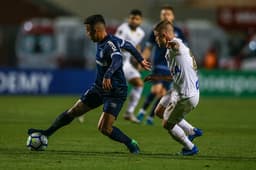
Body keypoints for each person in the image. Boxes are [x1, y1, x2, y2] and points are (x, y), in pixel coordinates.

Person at [27, 14, 151, 154]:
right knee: (73, 111)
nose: (87, 34)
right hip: (98, 88)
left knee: (105, 129)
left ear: (97, 31)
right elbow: (128, 45)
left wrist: (109, 75)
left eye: (89, 31)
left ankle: (131, 143)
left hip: (115, 92)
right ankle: (47, 133)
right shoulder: (109, 40)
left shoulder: (109, 45)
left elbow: (117, 58)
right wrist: (140, 59)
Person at [144, 20, 202, 155]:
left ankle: (190, 147)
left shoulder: (177, 46)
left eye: (157, 36)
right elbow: (175, 75)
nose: (155, 39)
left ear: (164, 35)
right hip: (177, 90)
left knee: (167, 124)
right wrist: (156, 77)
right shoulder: (169, 52)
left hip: (186, 96)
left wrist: (172, 44)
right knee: (158, 111)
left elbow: (176, 46)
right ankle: (192, 131)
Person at [137, 5, 187, 125]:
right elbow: (148, 48)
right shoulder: (156, 30)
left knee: (163, 93)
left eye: (168, 14)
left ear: (173, 16)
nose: (165, 16)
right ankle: (142, 111)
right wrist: (142, 60)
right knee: (156, 90)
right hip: (158, 64)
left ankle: (150, 117)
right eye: (163, 14)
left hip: (171, 67)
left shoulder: (179, 32)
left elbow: (184, 50)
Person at [115, 9, 145, 123]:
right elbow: (116, 43)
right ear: (129, 19)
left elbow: (137, 46)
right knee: (109, 91)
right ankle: (82, 109)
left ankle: (129, 112)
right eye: (132, 18)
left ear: (141, 21)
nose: (133, 21)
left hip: (126, 63)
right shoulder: (123, 29)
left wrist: (138, 60)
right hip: (116, 61)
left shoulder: (141, 33)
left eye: (136, 19)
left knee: (139, 84)